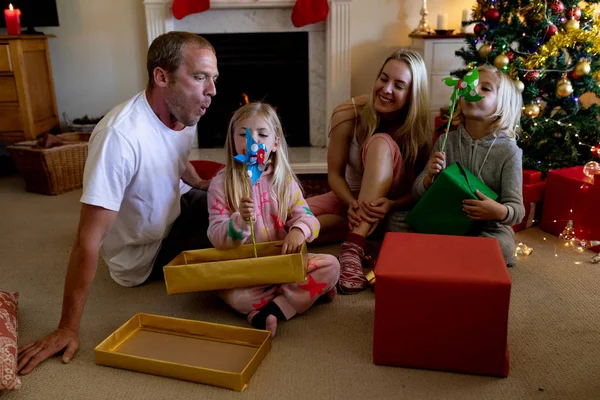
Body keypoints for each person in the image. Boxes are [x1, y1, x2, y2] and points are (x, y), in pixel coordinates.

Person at [17, 31, 219, 374]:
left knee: (253, 201)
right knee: (250, 229)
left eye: (213, 79)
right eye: (200, 77)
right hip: (146, 251)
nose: (212, 91)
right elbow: (87, 239)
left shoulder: (182, 108)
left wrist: (198, 182)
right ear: (161, 76)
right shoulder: (119, 137)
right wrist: (67, 327)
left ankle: (320, 215)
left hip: (175, 208)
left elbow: (175, 153)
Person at [207, 102, 340, 337]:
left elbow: (308, 217)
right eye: (243, 134)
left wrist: (299, 230)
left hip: (283, 263)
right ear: (232, 140)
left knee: (331, 265)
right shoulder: (220, 184)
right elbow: (216, 236)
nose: (253, 141)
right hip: (246, 270)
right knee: (227, 291)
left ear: (275, 143)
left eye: (262, 134)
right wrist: (238, 222)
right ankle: (298, 297)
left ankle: (272, 310)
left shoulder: (284, 181)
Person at [307, 49, 431, 294]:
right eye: (383, 79)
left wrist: (391, 205)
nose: (386, 89)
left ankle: (352, 248)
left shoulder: (419, 130)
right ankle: (361, 232)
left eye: (398, 85)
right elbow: (334, 175)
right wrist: (352, 203)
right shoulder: (348, 114)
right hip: (350, 198)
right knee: (291, 222)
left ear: (412, 94)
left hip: (388, 203)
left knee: (381, 141)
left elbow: (419, 188)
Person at [411, 65, 525, 266]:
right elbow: (416, 192)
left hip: (487, 227)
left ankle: (441, 251)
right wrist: (429, 179)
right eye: (469, 86)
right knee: (395, 220)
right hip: (444, 219)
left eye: (485, 88)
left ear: (503, 103)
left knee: (504, 246)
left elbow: (517, 209)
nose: (472, 91)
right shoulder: (446, 140)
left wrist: (497, 211)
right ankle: (459, 253)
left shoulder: (510, 152)